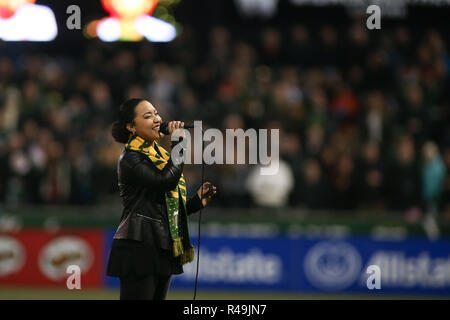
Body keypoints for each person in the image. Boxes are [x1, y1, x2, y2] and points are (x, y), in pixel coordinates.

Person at [106, 98, 216, 300]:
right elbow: (165, 181)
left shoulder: (161, 155)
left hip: (162, 245)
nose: (157, 119)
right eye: (148, 116)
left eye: (156, 113)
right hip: (139, 244)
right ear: (131, 127)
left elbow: (163, 203)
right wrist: (179, 144)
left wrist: (195, 203)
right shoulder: (130, 158)